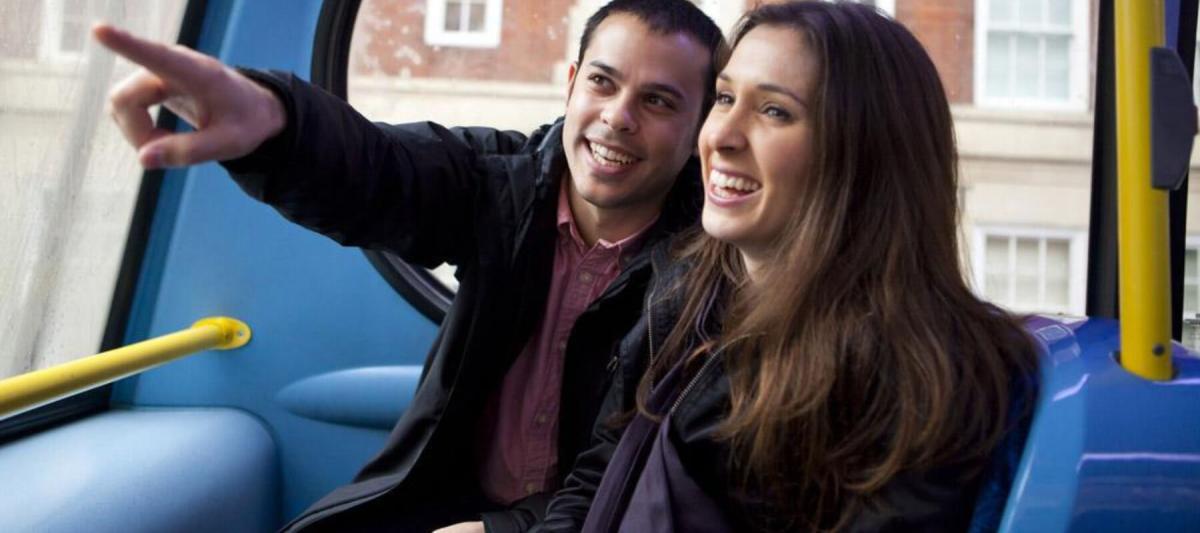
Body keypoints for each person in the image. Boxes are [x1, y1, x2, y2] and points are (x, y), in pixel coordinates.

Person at [92, 1, 726, 532]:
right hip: (441, 507)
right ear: (570, 83)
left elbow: (631, 468)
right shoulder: (498, 185)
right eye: (603, 82)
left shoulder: (712, 265)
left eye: (660, 102)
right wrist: (273, 123)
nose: (618, 118)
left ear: (700, 126)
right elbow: (378, 170)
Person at [534, 2, 1039, 532]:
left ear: (861, 151)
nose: (720, 136)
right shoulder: (689, 293)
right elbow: (599, 480)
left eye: (774, 111)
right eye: (725, 98)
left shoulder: (918, 384)